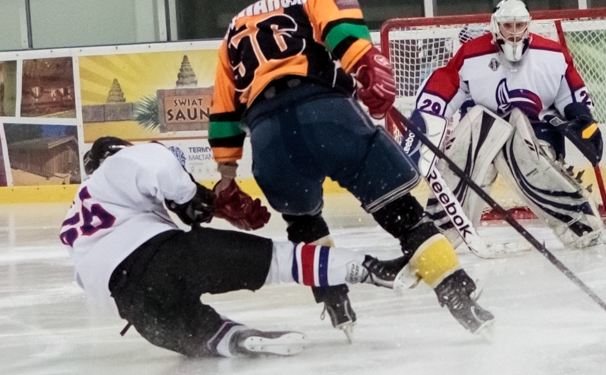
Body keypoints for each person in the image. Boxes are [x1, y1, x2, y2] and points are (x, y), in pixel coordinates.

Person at [207, 0, 494, 337]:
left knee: (304, 224)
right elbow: (341, 29)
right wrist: (365, 63)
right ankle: (459, 297)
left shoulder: (234, 28)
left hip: (269, 137)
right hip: (326, 115)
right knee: (402, 214)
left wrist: (226, 176)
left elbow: (224, 109)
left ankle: (336, 304)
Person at [59, 137, 404, 358]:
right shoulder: (116, 165)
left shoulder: (72, 219)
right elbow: (155, 163)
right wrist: (191, 196)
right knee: (278, 261)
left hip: (135, 307)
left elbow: (86, 281)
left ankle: (233, 339)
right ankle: (371, 269)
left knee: (197, 333)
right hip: (168, 257)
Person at [412, 0, 604, 250]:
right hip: (484, 130)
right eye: (507, 26)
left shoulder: (552, 55)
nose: (514, 33)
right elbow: (444, 87)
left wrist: (583, 119)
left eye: (519, 25)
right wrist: (425, 122)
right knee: (467, 145)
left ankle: (580, 223)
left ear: (528, 26)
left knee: (529, 156)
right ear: (495, 26)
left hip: (536, 133)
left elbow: (572, 96)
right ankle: (439, 231)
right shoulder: (471, 54)